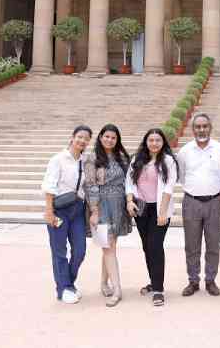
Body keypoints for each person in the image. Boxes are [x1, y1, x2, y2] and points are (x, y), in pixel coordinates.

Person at [177, 112, 220, 297]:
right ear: (192, 129)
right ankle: (193, 280)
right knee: (191, 245)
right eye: (198, 127)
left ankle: (210, 280)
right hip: (191, 202)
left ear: (210, 128)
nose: (201, 130)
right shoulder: (184, 151)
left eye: (205, 126)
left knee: (213, 244)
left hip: (214, 202)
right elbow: (182, 176)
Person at [125, 128, 178, 307]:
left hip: (159, 208)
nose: (154, 143)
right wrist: (130, 201)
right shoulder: (137, 159)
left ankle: (158, 290)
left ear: (163, 142)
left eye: (158, 140)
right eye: (151, 140)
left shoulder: (169, 161)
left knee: (155, 247)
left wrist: (162, 212)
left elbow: (169, 187)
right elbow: (129, 182)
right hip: (140, 208)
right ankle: (153, 281)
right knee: (147, 247)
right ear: (146, 142)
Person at [41, 125, 92, 304]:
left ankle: (67, 283)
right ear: (72, 137)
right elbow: (49, 186)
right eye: (80, 136)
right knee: (59, 251)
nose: (82, 140)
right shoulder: (58, 159)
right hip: (59, 210)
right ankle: (64, 288)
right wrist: (49, 212)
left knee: (80, 250)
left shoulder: (86, 160)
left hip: (77, 210)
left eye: (86, 138)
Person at [83, 123, 132, 307]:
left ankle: (104, 282)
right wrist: (94, 211)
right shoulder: (92, 158)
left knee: (110, 246)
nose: (110, 140)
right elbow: (90, 185)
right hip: (100, 206)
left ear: (117, 140)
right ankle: (117, 288)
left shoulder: (121, 158)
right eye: (107, 136)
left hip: (118, 206)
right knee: (108, 248)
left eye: (113, 137)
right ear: (100, 137)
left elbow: (129, 180)